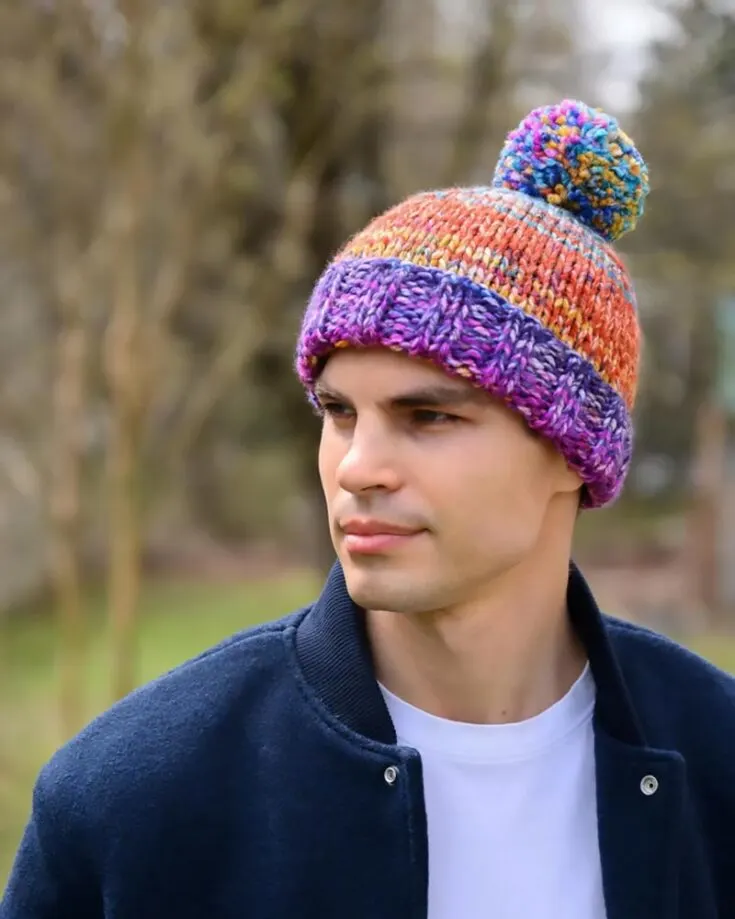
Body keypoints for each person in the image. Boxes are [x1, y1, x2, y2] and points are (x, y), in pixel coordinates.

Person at [2, 98, 734, 919]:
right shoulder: (132, 801)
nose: (358, 467)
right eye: (339, 412)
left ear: (570, 449)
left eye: (428, 416)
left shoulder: (716, 761)